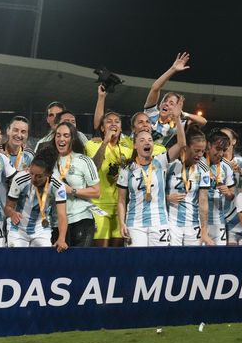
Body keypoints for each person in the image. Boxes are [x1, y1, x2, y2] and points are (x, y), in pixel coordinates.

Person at [117, 103, 186, 247]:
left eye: (149, 140)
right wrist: (121, 223)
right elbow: (122, 200)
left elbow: (181, 144)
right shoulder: (127, 168)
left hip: (159, 222)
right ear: (135, 145)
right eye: (142, 140)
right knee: (137, 264)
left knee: (160, 264)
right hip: (135, 224)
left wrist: (178, 119)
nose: (146, 143)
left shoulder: (160, 161)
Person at [5, 145, 69, 252]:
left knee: (42, 264)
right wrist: (12, 213)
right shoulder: (20, 179)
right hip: (17, 229)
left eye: (39, 176)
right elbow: (7, 207)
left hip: (41, 229)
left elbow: (62, 215)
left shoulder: (58, 186)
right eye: (31, 173)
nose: (33, 178)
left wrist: (61, 239)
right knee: (16, 264)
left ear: (49, 174)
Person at [86, 110, 133, 247]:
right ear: (102, 128)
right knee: (101, 249)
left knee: (117, 251)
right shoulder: (92, 145)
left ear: (121, 128)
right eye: (109, 121)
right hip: (98, 205)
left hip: (120, 206)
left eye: (117, 122)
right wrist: (105, 142)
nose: (113, 124)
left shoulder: (128, 148)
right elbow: (94, 167)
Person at [49, 121, 100, 247]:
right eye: (58, 135)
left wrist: (72, 191)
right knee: (60, 266)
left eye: (66, 135)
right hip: (57, 222)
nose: (61, 139)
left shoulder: (83, 161)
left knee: (79, 264)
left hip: (81, 219)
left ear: (73, 139)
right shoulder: (48, 162)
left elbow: (96, 191)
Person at [142, 52, 207, 146]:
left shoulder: (177, 125)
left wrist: (183, 114)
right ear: (160, 105)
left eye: (171, 103)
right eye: (165, 101)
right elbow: (155, 88)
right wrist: (173, 69)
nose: (166, 103)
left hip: (154, 158)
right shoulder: (150, 113)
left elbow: (203, 122)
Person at [166, 126, 213, 246]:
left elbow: (203, 201)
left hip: (193, 225)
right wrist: (166, 197)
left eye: (203, 151)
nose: (200, 155)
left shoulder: (203, 169)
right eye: (197, 150)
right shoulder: (170, 164)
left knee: (193, 263)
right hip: (170, 223)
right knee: (171, 261)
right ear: (186, 147)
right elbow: (154, 190)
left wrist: (204, 231)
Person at [205, 130, 236, 246]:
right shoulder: (197, 163)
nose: (221, 154)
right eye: (218, 149)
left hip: (218, 222)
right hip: (196, 221)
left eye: (224, 150)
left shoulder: (227, 167)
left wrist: (228, 193)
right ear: (208, 145)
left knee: (219, 259)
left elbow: (232, 195)